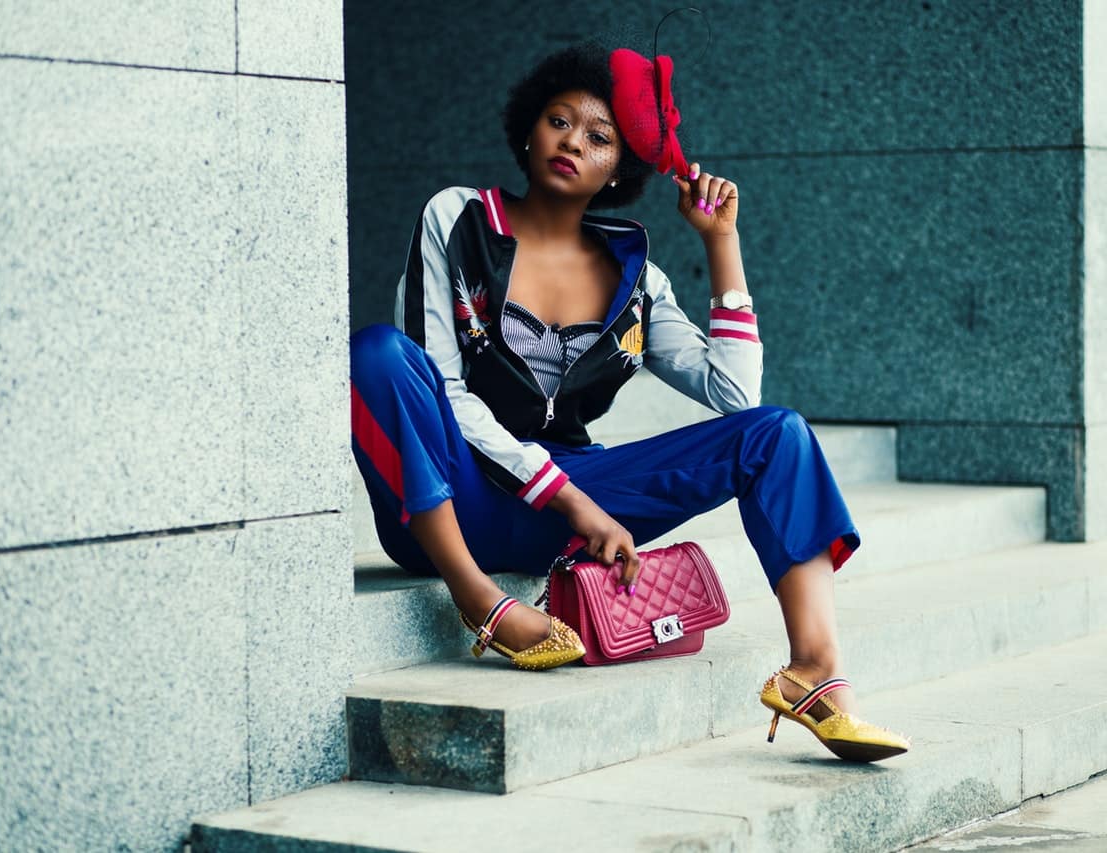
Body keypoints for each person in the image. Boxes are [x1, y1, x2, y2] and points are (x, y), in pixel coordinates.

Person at [350, 43, 908, 762]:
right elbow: (445, 389)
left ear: (619, 168)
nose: (573, 141)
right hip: (449, 500)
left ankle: (817, 672)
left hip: (572, 496)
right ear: (528, 129)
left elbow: (734, 392)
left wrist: (722, 243)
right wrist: (573, 503)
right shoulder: (458, 220)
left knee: (777, 435)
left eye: (599, 136)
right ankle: (478, 598)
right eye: (559, 120)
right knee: (376, 356)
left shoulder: (635, 276)